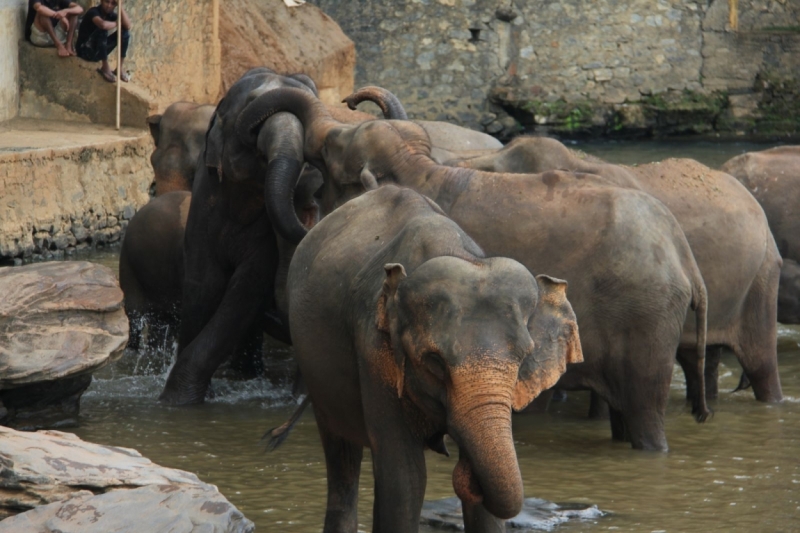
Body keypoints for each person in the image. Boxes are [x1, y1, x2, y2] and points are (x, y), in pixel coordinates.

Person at [76, 0, 132, 83]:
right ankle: (105, 67)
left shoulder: (110, 15)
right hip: (84, 51)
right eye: (107, 2)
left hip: (97, 52)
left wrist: (120, 6)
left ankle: (119, 68)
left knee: (125, 33)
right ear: (101, 1)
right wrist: (117, 23)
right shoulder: (93, 12)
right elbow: (102, 25)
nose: (109, 5)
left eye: (113, 4)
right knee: (103, 29)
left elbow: (127, 26)